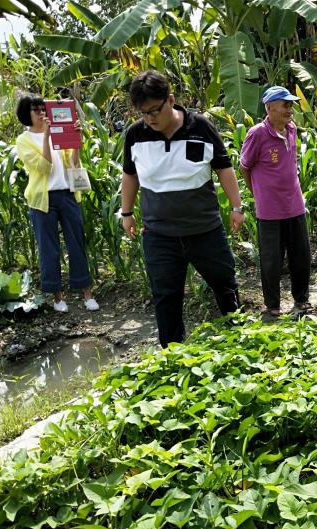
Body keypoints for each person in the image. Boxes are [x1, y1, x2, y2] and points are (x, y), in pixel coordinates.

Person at [120, 71, 245, 347]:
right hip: (159, 235)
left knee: (224, 285)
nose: (150, 118)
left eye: (155, 110)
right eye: (144, 113)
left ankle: (240, 340)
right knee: (166, 297)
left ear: (171, 100)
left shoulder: (200, 126)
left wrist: (237, 206)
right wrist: (126, 212)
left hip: (205, 231)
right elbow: (130, 174)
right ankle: (173, 356)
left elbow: (223, 168)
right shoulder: (136, 135)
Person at [15, 96, 99, 313]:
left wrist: (76, 140)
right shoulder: (23, 140)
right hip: (43, 200)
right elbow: (44, 167)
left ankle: (87, 293)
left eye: (44, 109)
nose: (42, 113)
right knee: (49, 249)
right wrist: (46, 137)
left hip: (68, 195)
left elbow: (74, 163)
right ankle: (57, 297)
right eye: (36, 110)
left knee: (77, 243)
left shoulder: (59, 130)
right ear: (27, 114)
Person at [240, 86, 311, 321]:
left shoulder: (291, 129)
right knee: (271, 261)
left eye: (291, 105)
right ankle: (272, 307)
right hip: (270, 211)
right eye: (285, 105)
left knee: (301, 256)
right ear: (270, 108)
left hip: (294, 205)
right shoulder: (257, 134)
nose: (290, 110)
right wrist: (258, 193)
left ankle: (301, 301)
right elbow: (245, 166)